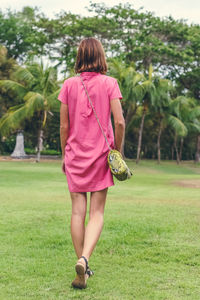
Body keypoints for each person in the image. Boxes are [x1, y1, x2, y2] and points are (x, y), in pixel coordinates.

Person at [57, 37, 125, 289]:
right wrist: (116, 150)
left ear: (80, 57)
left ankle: (82, 267)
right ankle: (85, 259)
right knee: (96, 212)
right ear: (101, 57)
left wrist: (65, 154)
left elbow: (64, 125)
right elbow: (119, 122)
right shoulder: (110, 83)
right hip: (99, 156)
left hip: (74, 155)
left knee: (77, 211)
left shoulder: (67, 85)